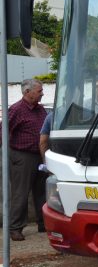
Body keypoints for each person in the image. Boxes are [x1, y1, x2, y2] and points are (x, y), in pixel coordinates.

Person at [2, 78, 48, 241]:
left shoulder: (40, 110)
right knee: (20, 193)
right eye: (39, 91)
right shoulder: (16, 109)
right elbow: (3, 131)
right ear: (27, 92)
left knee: (42, 191)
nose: (42, 93)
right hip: (22, 155)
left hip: (40, 154)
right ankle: (15, 228)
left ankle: (43, 223)